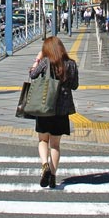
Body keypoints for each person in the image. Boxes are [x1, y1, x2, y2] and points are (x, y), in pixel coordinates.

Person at [29, 36, 79, 189]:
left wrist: (37, 59)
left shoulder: (45, 62)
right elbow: (75, 85)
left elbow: (32, 75)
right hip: (62, 110)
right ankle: (53, 175)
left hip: (44, 107)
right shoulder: (71, 64)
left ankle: (45, 165)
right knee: (55, 145)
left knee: (43, 140)